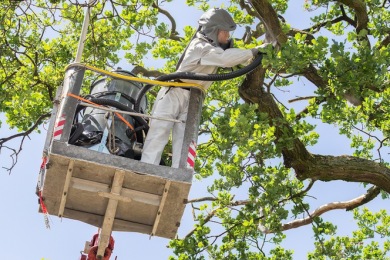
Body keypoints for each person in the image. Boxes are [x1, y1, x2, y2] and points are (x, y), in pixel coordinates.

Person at [141, 8, 263, 168]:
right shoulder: (200, 46)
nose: (228, 36)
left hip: (194, 98)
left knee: (186, 141)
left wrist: (258, 55)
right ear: (213, 30)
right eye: (225, 32)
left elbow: (234, 59)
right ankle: (145, 170)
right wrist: (254, 50)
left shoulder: (215, 51)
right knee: (159, 133)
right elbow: (225, 59)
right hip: (175, 91)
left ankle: (180, 176)